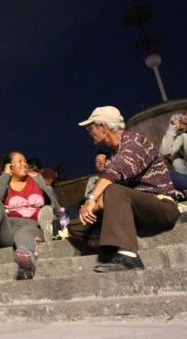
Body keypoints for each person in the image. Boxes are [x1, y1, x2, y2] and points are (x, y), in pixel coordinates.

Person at [72, 106, 181, 272]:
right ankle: (111, 244)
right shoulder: (111, 155)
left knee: (114, 190)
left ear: (103, 126)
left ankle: (128, 256)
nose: (89, 131)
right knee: (77, 225)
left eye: (91, 127)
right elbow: (108, 187)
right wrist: (92, 207)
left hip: (161, 208)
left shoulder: (135, 142)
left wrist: (91, 199)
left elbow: (115, 173)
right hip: (133, 213)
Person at [0, 152, 61, 280]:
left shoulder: (36, 178)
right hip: (8, 229)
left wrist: (60, 215)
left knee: (24, 234)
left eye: (25, 161)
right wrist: (5, 176)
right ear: (10, 166)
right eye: (19, 161)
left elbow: (50, 195)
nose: (24, 164)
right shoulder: (2, 181)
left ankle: (25, 260)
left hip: (32, 226)